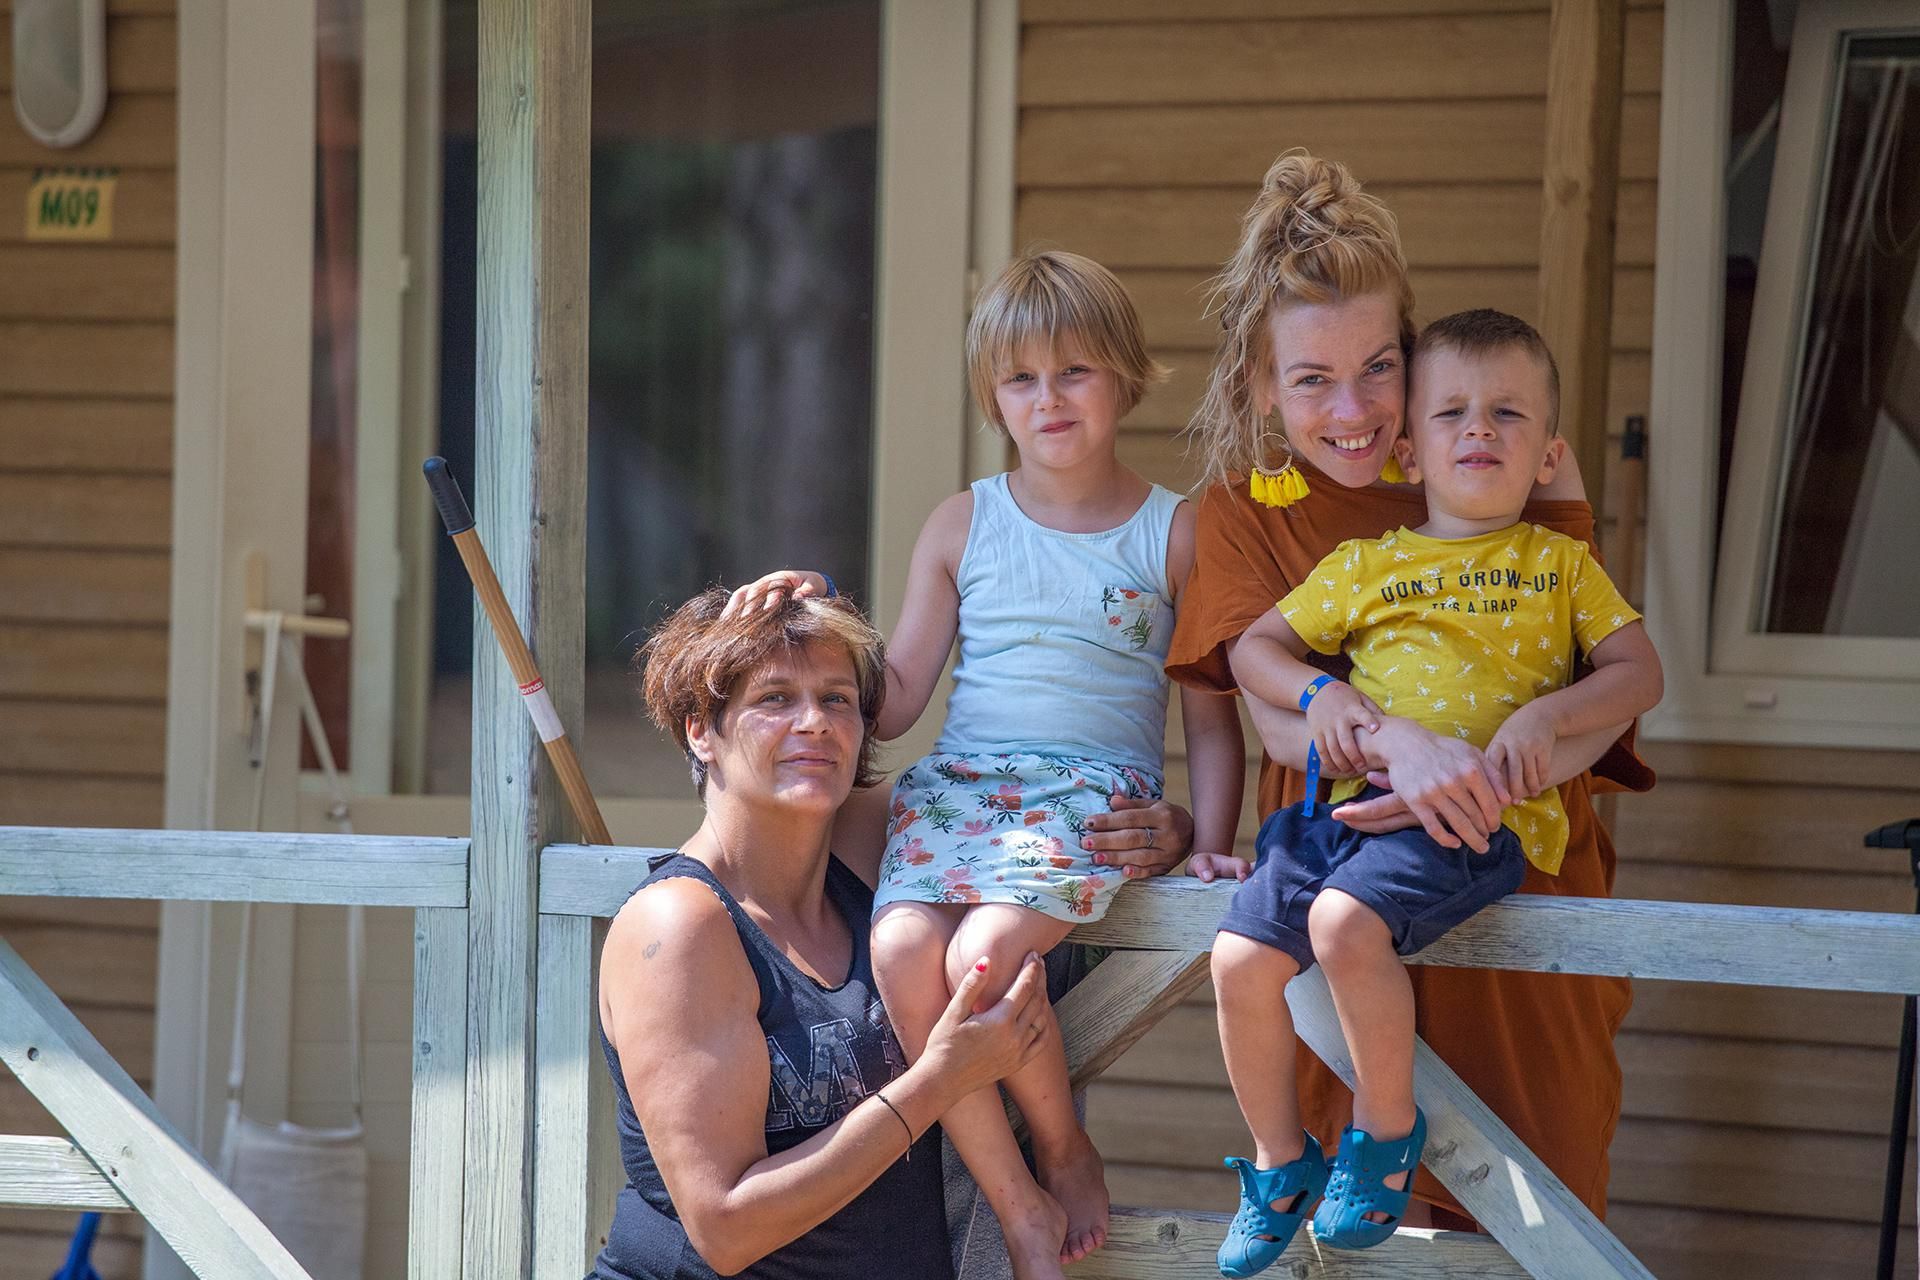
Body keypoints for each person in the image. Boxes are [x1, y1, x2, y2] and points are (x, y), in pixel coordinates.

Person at [725, 250, 1244, 1279]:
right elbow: (901, 691)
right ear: (991, 396)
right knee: (907, 947)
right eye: (1021, 379)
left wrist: (1214, 844)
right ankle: (1021, 1204)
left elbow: (1217, 722)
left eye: (1076, 371)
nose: (1048, 399)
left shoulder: (1174, 530)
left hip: (1090, 801)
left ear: (1128, 376)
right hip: (964, 793)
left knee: (984, 954)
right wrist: (806, 616)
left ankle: (1062, 1149)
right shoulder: (966, 522)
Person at [1167, 150, 1655, 1236]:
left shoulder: (1490, 467)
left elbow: (1601, 685)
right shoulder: (1242, 514)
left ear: (1416, 357)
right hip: (1337, 881)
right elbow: (1270, 708)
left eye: (1379, 369)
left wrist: (1482, 768)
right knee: (1365, 1228)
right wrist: (1403, 745)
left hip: (1519, 876)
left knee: (1542, 1220)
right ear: (1258, 384)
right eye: (1309, 379)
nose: (1353, 411)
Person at [592, 588, 1058, 1279]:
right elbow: (726, 1227)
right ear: (701, 730)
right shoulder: (680, 925)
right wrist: (938, 1080)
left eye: (837, 699)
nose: (814, 722)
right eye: (774, 698)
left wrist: (1159, 831)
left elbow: (1053, 813)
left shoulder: (875, 852)